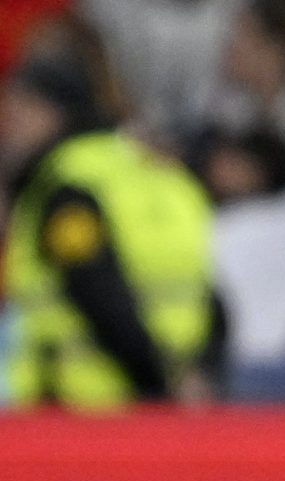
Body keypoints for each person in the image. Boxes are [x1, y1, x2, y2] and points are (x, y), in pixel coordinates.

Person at [2, 51, 213, 408]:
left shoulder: (66, 186)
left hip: (82, 401)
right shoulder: (146, 169)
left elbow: (97, 290)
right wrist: (189, 374)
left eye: (20, 112)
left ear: (55, 112)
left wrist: (159, 381)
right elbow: (207, 290)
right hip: (161, 393)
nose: (8, 127)